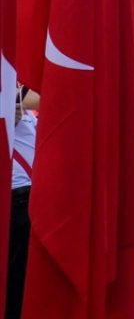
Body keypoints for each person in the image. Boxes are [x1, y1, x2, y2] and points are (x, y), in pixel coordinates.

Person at [7, 88, 37, 319]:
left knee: (27, 282)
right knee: (15, 284)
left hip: (32, 200)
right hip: (14, 202)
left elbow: (39, 95)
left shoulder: (21, 105)